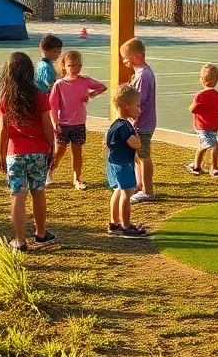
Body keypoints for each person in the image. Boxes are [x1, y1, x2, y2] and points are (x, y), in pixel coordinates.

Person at [0, 51, 58, 252]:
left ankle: (20, 240)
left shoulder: (6, 99)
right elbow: (48, 125)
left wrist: (0, 155)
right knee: (38, 192)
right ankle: (41, 233)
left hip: (15, 153)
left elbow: (3, 130)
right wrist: (52, 147)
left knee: (17, 196)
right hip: (38, 151)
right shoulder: (40, 97)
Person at [48, 50, 107, 189]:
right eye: (71, 65)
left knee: (77, 152)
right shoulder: (60, 84)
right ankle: (48, 172)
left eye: (78, 65)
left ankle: (77, 179)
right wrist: (54, 122)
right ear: (64, 67)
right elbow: (53, 105)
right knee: (60, 151)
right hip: (63, 123)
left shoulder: (85, 81)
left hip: (79, 123)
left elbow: (102, 87)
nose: (75, 68)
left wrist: (91, 94)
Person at [105, 85, 148, 239]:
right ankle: (126, 225)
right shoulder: (124, 127)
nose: (140, 110)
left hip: (114, 163)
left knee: (118, 190)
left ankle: (113, 222)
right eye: (137, 106)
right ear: (126, 106)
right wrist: (136, 133)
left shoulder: (115, 125)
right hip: (122, 164)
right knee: (127, 192)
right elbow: (136, 144)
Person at [122, 38, 158, 203]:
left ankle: (148, 191)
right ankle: (139, 184)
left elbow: (139, 102)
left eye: (126, 57)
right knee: (137, 155)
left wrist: (133, 120)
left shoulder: (143, 75)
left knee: (144, 155)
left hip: (143, 123)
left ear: (137, 56)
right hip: (142, 122)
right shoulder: (141, 73)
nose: (125, 61)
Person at [186, 63, 218, 177]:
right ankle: (212, 167)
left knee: (203, 146)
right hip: (205, 126)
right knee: (214, 145)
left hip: (204, 125)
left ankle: (198, 166)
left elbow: (192, 109)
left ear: (203, 79)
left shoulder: (200, 96)